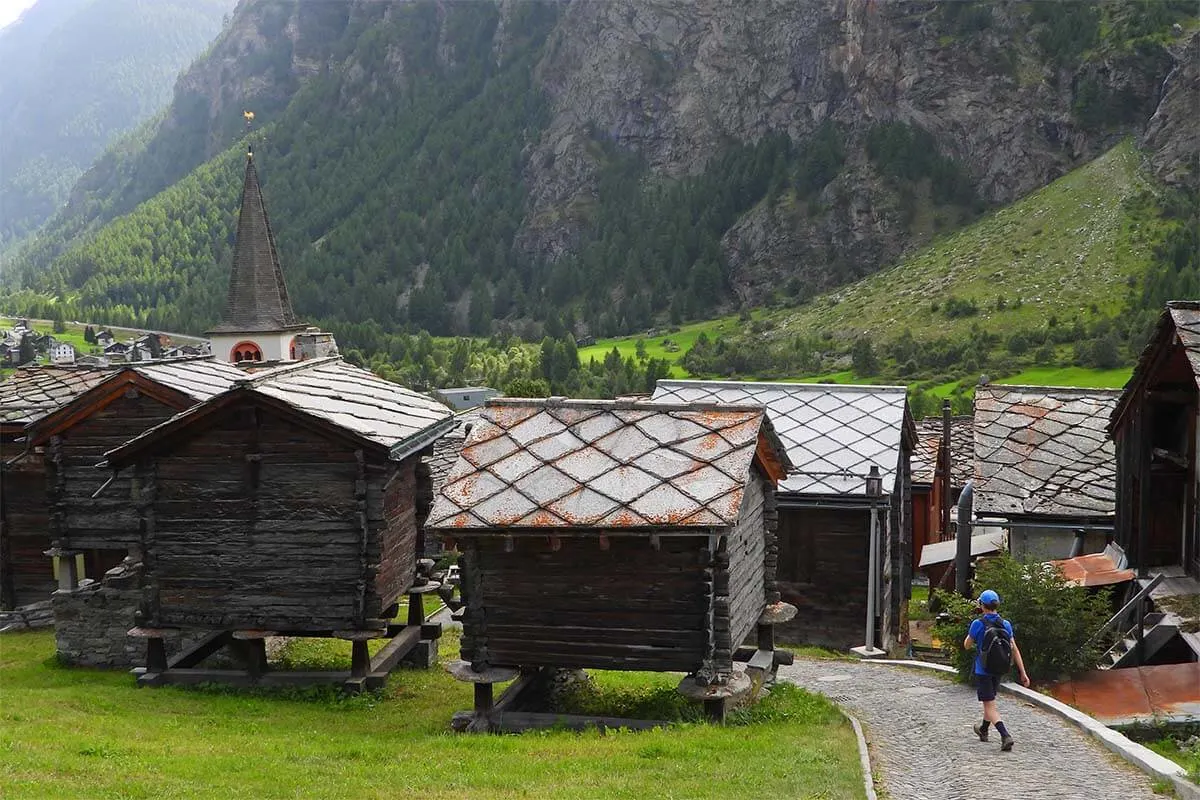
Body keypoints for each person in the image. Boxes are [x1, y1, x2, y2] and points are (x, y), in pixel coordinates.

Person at [962, 589, 1029, 751]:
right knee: (990, 701)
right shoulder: (1006, 624)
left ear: (982, 606)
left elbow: (967, 645)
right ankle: (983, 730)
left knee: (989, 706)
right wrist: (1023, 672)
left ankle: (1005, 736)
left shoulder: (978, 624)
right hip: (999, 669)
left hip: (983, 669)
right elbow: (1014, 649)